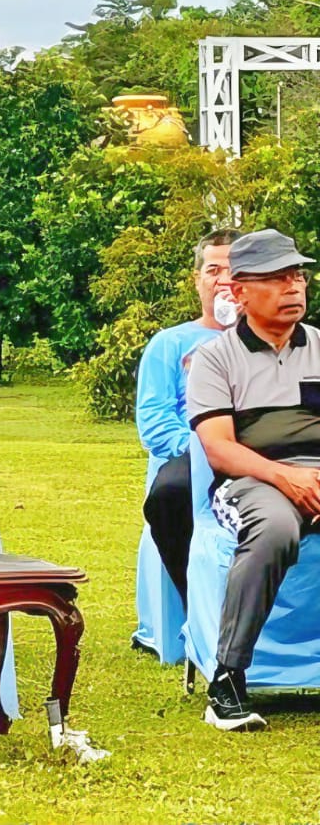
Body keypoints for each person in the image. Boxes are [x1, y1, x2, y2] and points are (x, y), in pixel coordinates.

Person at [186, 228, 318, 732]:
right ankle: (228, 678)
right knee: (276, 529)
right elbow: (219, 448)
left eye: (299, 276)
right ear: (239, 292)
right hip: (252, 479)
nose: (293, 288)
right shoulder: (215, 359)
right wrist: (289, 478)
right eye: (278, 278)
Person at [136, 230, 240, 604]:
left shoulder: (268, 338)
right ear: (197, 280)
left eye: (235, 270)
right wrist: (206, 448)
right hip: (194, 456)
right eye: (213, 270)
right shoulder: (170, 344)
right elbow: (154, 421)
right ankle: (200, 608)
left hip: (260, 454)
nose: (224, 281)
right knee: (170, 495)